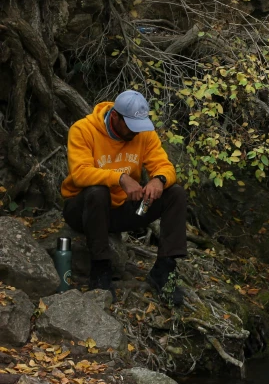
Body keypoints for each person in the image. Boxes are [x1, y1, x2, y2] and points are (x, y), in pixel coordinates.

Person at [61, 90, 186, 305]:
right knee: (97, 191)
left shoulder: (143, 133)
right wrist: (120, 179)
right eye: (131, 126)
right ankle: (100, 269)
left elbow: (164, 166)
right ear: (115, 116)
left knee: (175, 193)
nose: (135, 133)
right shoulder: (83, 129)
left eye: (139, 127)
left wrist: (160, 180)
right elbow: (80, 173)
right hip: (83, 210)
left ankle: (164, 271)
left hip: (121, 211)